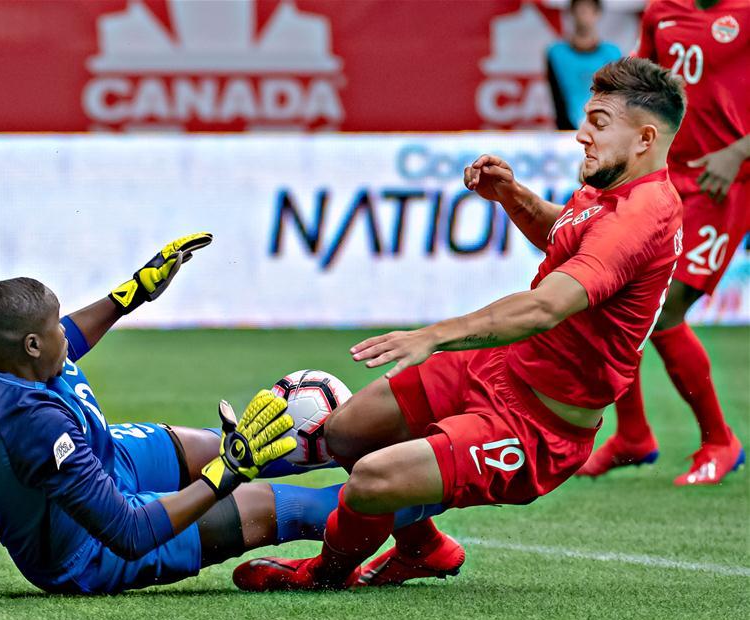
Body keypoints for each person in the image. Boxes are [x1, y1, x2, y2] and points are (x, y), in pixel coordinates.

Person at [232, 58, 686, 591]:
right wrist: (511, 197)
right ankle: (423, 548)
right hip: (494, 365)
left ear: (645, 137)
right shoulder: (610, 187)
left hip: (536, 424)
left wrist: (432, 335)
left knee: (371, 482)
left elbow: (544, 307)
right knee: (349, 433)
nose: (582, 134)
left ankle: (324, 575)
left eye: (599, 122)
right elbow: (565, 236)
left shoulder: (641, 215)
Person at [0, 233, 344, 594]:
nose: (64, 332)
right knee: (289, 506)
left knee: (267, 444)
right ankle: (400, 496)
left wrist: (128, 296)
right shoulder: (38, 429)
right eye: (56, 328)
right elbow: (129, 532)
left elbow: (55, 338)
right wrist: (226, 474)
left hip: (102, 458)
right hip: (89, 546)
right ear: (33, 345)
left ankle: (375, 442)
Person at [577, 0, 748, 485]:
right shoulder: (662, 10)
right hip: (663, 176)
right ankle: (633, 436)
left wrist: (737, 152)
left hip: (723, 184)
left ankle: (719, 441)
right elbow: (642, 81)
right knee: (615, 294)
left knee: (665, 309)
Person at [547, 0, 621, 130]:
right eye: (580, 9)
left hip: (604, 131)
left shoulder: (613, 53)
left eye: (589, 9)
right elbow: (557, 97)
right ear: (571, 13)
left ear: (598, 13)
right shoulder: (556, 54)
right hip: (567, 133)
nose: (584, 14)